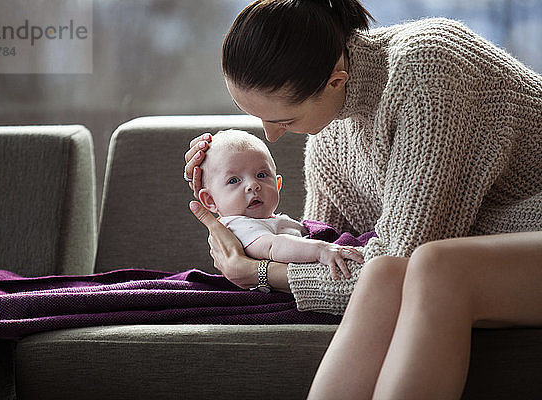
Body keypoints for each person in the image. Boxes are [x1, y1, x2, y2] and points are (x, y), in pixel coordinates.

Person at [183, 0, 542, 398]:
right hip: (468, 262)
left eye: (284, 119)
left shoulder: (429, 70)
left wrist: (259, 275)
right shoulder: (328, 135)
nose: (271, 136)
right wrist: (224, 192)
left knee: (430, 265)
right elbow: (339, 258)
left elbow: (401, 257)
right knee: (389, 271)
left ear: (335, 82)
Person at [197, 129, 364, 281]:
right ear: (210, 200)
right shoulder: (236, 226)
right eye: (234, 180)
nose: (253, 185)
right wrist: (320, 250)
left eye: (262, 175)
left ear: (277, 185)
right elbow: (273, 246)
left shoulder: (269, 220)